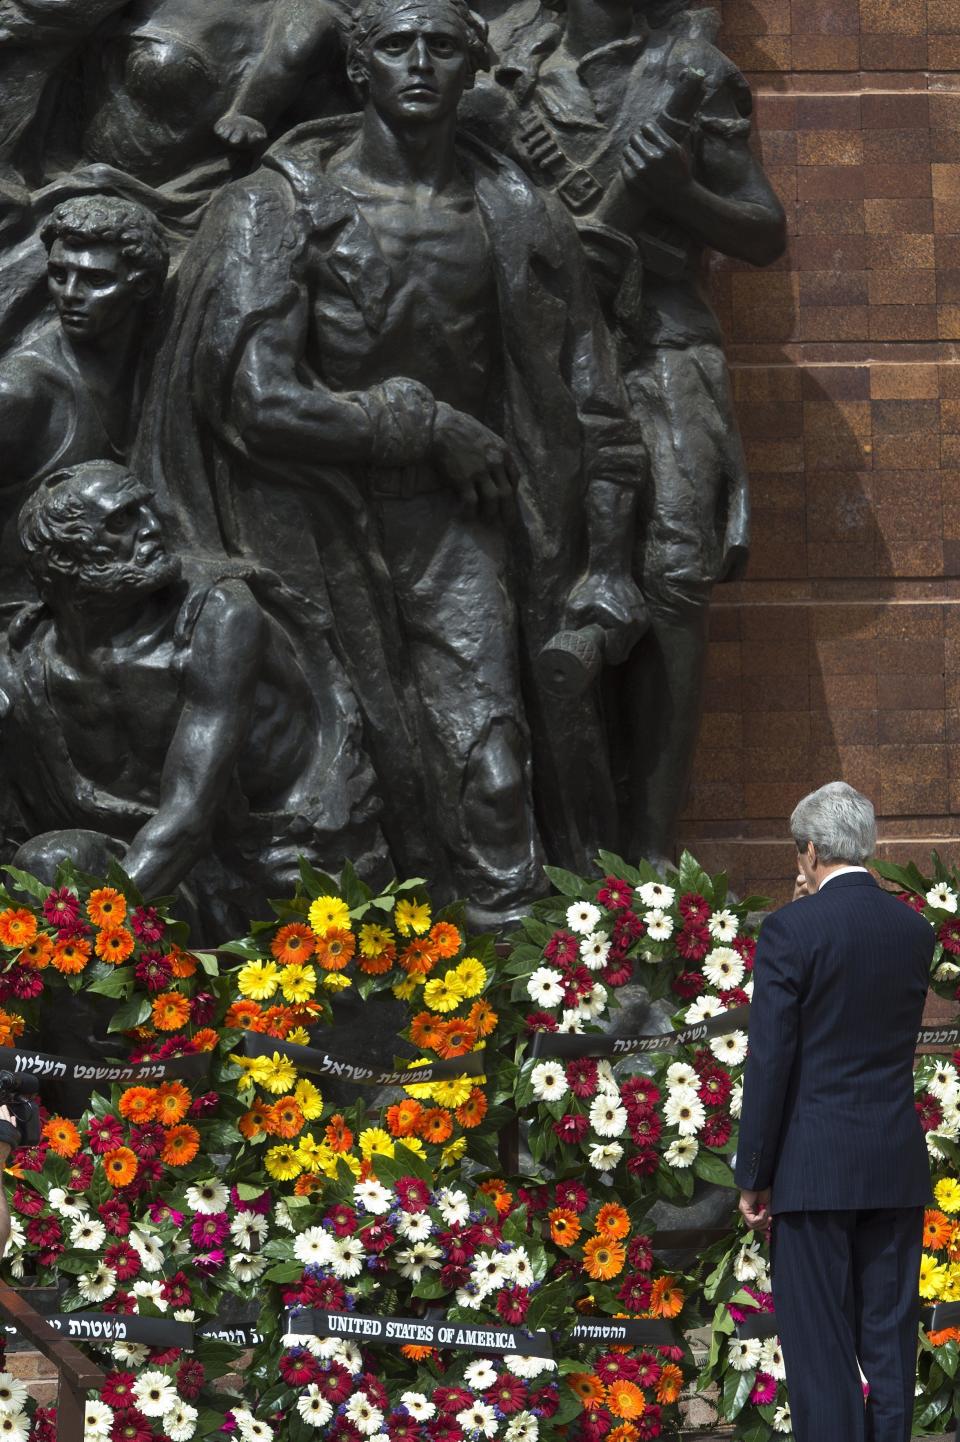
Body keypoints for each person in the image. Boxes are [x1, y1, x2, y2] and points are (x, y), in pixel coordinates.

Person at [141, 0, 647, 925]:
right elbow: (252, 397)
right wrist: (416, 424)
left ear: (473, 68)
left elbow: (594, 403)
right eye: (396, 45)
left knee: (495, 776)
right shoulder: (273, 205)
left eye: (444, 46)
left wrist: (608, 566)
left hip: (464, 527)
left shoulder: (523, 216)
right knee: (341, 791)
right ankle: (345, 1008)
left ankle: (521, 1023)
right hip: (302, 530)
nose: (421, 63)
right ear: (359, 67)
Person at [490, 0, 786, 865]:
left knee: (674, 580)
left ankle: (652, 870)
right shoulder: (502, 66)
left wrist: (678, 193)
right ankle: (548, 851)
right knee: (531, 577)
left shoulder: (690, 74)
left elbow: (764, 230)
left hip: (660, 346)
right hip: (529, 354)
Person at [0, 461, 387, 938]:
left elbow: (189, 815)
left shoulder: (217, 617)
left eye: (149, 509)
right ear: (64, 559)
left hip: (276, 848)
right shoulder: (24, 661)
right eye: (123, 520)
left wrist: (83, 940)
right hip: (145, 855)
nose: (154, 528)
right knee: (46, 864)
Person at [735, 781, 935, 1442]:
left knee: (821, 1356)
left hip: (813, 1167)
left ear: (811, 849)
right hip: (893, 1163)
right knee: (888, 1344)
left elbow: (771, 1061)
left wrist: (753, 1175)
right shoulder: (913, 928)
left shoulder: (791, 930)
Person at [0, 195, 169, 607]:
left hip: (120, 601)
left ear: (142, 285)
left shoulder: (162, 360)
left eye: (95, 280)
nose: (69, 295)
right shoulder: (20, 392)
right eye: (59, 274)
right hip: (27, 609)